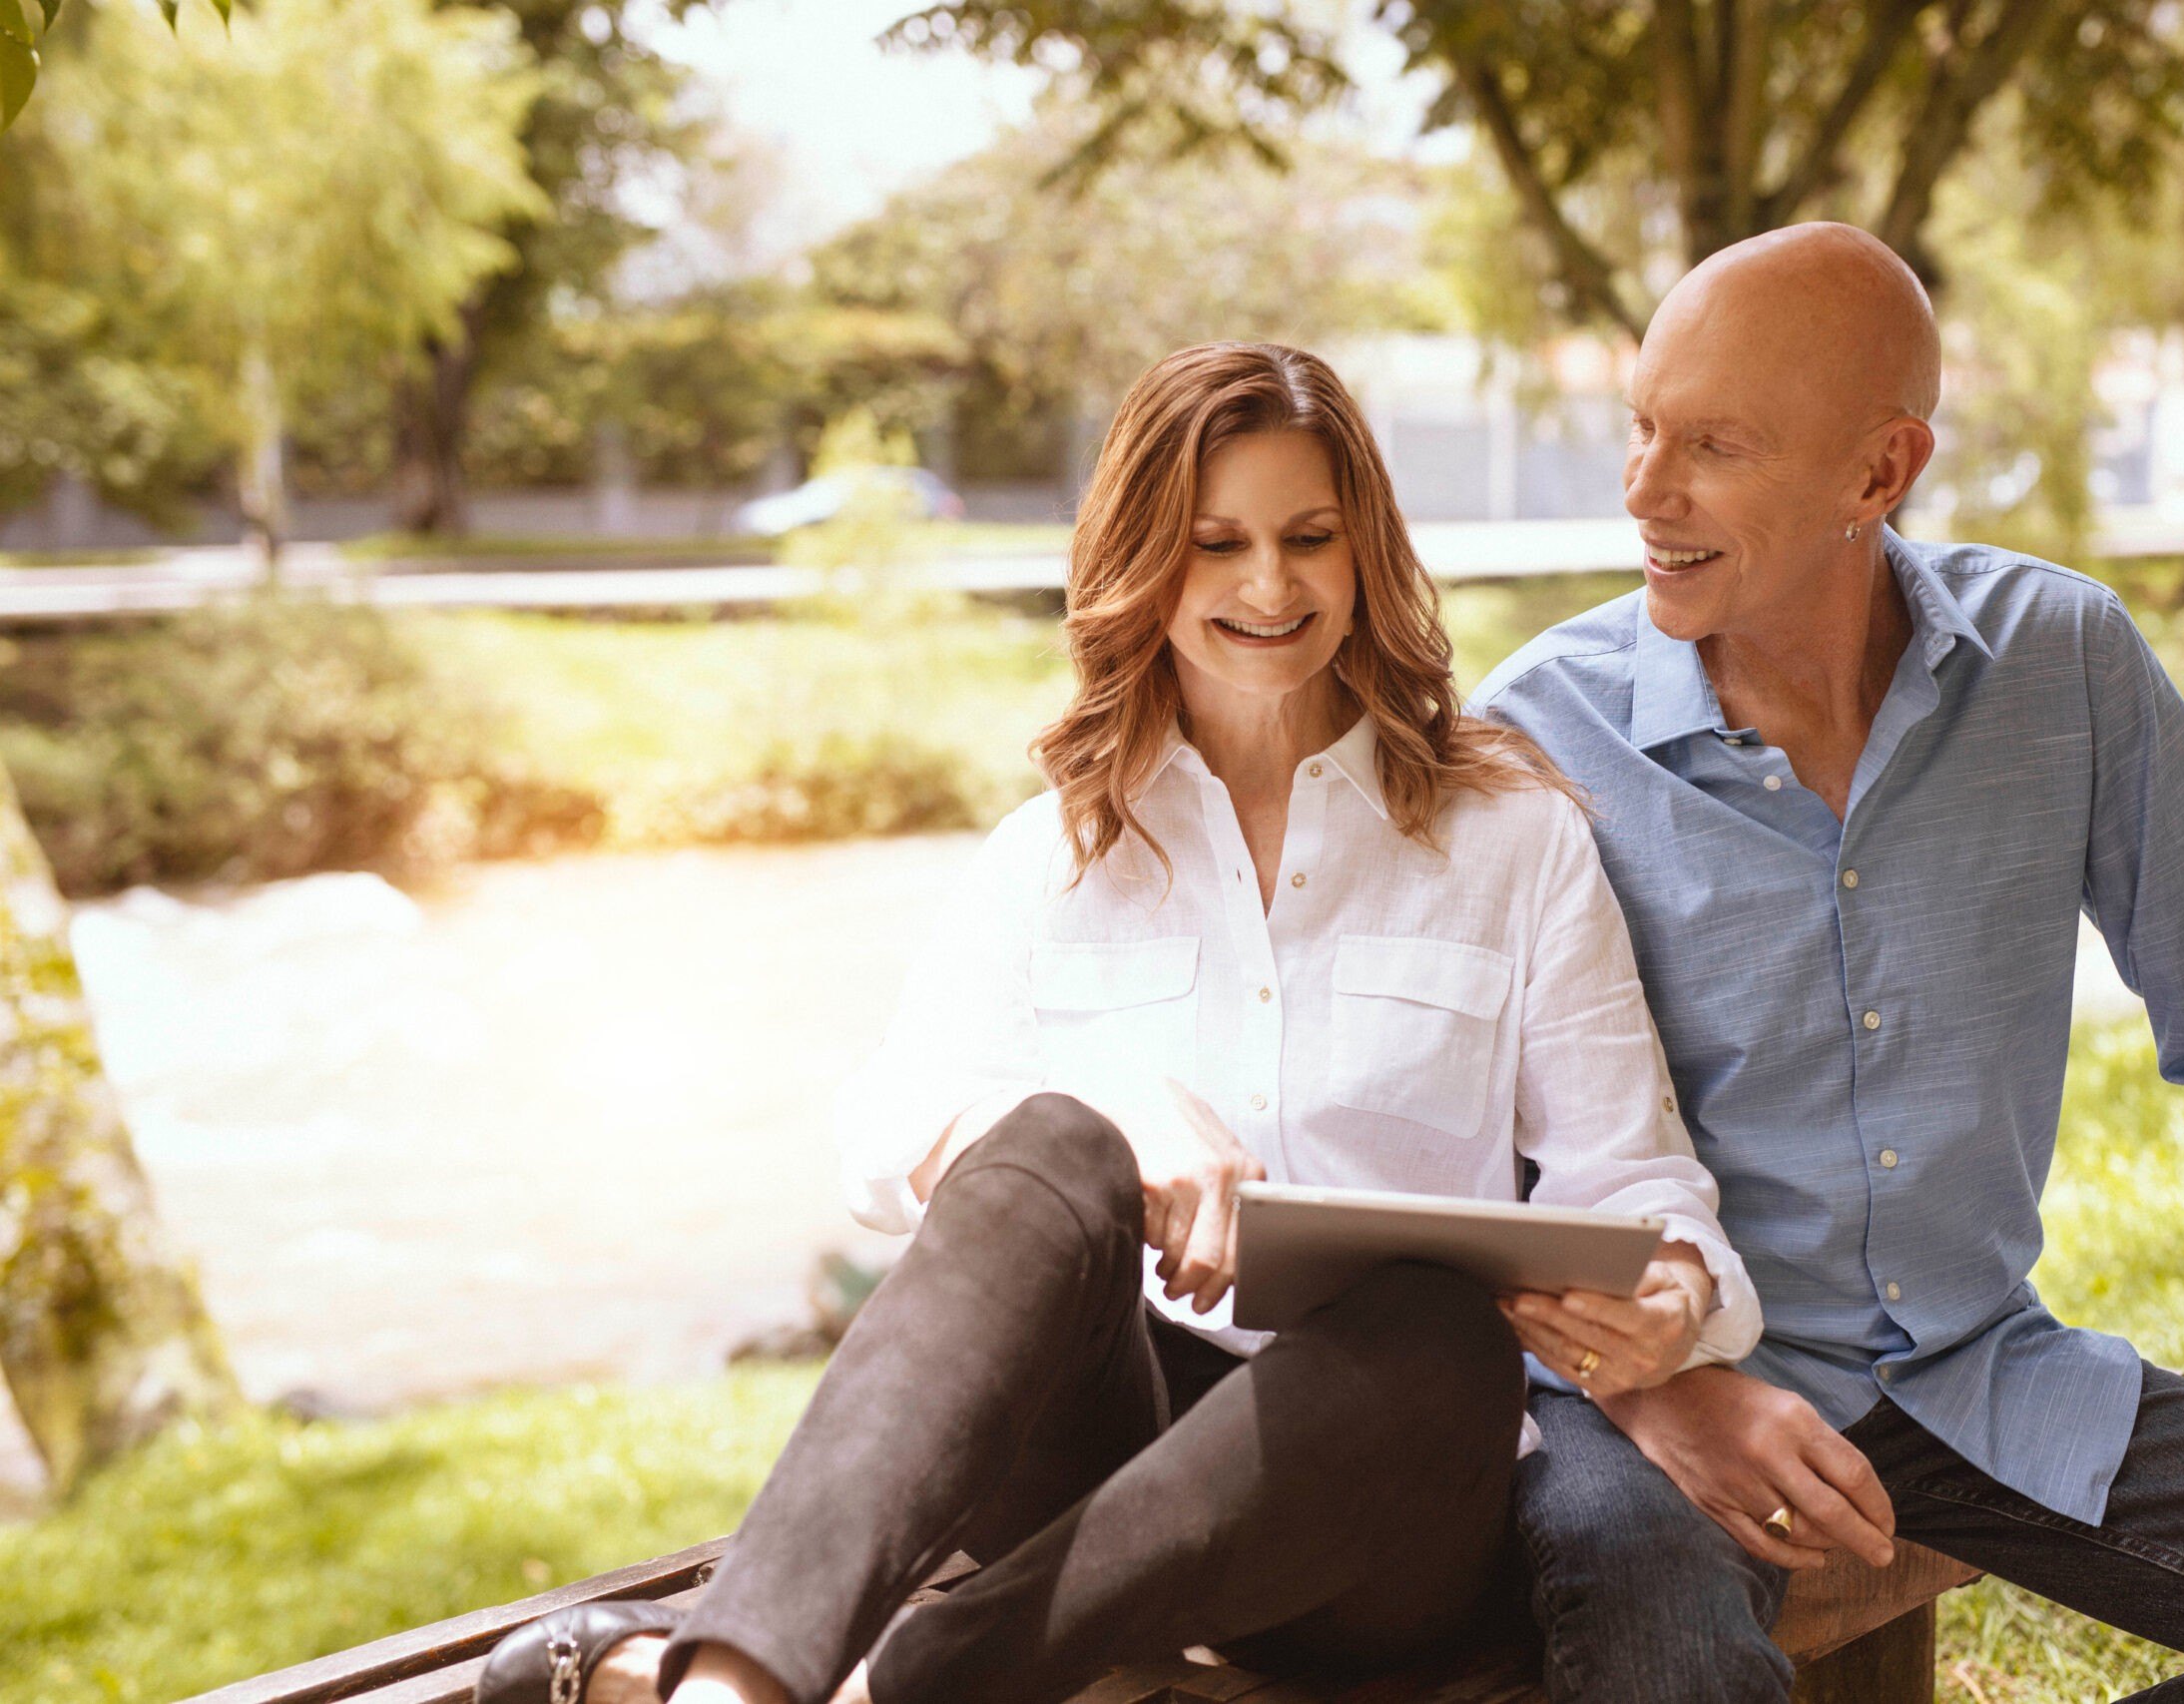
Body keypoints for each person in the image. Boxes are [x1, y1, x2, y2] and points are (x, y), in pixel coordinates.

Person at [476, 340, 1762, 1704]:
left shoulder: (1512, 841)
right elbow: (881, 1134)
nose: (1269, 586)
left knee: (1439, 1333)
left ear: (1365, 552)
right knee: (1042, 1139)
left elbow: (1638, 1182)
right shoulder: (1054, 852)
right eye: (1216, 545)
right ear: (1147, 562)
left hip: (1378, 1516)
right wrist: (1104, 1110)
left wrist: (1675, 1303)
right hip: (1101, 1469)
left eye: (1308, 538)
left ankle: (881, 1689)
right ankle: (738, 1684)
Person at [1474, 221, 2184, 1702]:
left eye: (1712, 446)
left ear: (1880, 472)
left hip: (1977, 1381)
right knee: (1662, 1649)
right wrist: (1656, 1384)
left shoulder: (2064, 662)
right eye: (1642, 430)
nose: (1646, 494)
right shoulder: (1538, 732)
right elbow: (1465, 1162)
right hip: (1663, 1406)